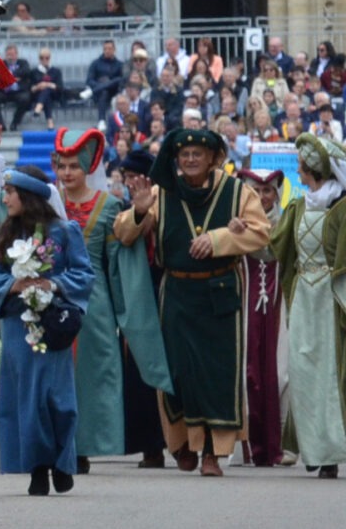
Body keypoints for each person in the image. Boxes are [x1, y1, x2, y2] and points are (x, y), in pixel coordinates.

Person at [113, 128, 270, 475]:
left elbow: (261, 232)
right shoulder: (161, 192)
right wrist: (138, 212)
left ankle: (212, 452)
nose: (190, 159)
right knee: (176, 372)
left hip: (220, 292)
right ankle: (182, 442)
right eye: (184, 155)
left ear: (212, 158)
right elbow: (123, 234)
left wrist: (220, 239)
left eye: (198, 153)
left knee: (216, 373)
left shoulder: (237, 192)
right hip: (177, 293)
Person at [0, 169, 93, 494]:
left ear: (27, 195)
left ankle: (62, 461)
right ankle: (37, 468)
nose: (5, 199)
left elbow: (84, 274)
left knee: (58, 398)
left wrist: (52, 284)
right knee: (26, 398)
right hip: (17, 328)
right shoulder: (4, 233)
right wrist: (13, 285)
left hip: (52, 325)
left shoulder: (65, 232)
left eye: (10, 192)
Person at [55, 129, 139, 468]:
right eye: (62, 166)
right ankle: (60, 444)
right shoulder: (49, 203)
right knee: (58, 372)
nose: (67, 173)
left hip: (96, 301)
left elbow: (117, 264)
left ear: (88, 167)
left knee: (95, 372)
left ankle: (87, 444)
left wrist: (123, 312)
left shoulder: (110, 205)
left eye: (74, 166)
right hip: (54, 296)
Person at [267, 136, 346, 477]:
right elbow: (275, 247)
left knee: (328, 374)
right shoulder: (298, 207)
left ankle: (329, 454)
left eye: (300, 164)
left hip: (331, 298)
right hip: (302, 299)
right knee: (301, 371)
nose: (297, 170)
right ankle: (311, 446)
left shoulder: (341, 208)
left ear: (313, 168)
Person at [111, 151, 175, 467]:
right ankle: (150, 445)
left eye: (135, 178)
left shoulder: (171, 202)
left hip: (169, 289)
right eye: (126, 178)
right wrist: (140, 211)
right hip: (140, 295)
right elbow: (124, 234)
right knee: (139, 370)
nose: (129, 184)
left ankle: (181, 441)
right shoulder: (127, 210)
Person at [240, 171, 288, 467]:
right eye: (255, 191)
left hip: (279, 306)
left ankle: (280, 444)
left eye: (267, 191)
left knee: (280, 372)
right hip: (246, 305)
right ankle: (247, 444)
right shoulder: (237, 224)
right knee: (247, 371)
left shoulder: (286, 223)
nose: (262, 197)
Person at [85, 41, 126, 117]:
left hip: (114, 91)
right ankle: (102, 120)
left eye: (109, 49)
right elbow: (89, 80)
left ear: (114, 50)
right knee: (104, 91)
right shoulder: (95, 64)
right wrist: (100, 85)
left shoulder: (120, 64)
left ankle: (103, 120)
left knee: (117, 80)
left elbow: (122, 81)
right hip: (99, 93)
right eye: (105, 49)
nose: (107, 51)